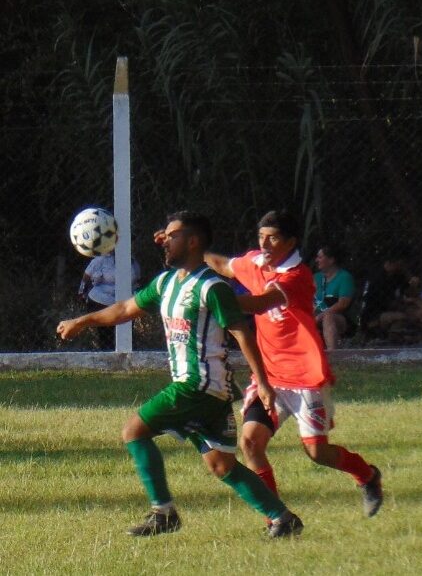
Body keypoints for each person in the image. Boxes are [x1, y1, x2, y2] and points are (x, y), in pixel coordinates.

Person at [58, 211, 302, 538]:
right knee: (222, 465)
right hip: (210, 392)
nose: (163, 241)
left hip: (197, 385)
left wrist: (265, 385)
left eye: (171, 236)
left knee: (134, 430)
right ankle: (282, 517)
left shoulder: (212, 288)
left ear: (193, 241)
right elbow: (124, 310)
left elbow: (242, 334)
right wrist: (83, 321)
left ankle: (163, 512)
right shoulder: (166, 283)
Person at [203, 210, 383, 518]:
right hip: (270, 377)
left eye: (273, 239)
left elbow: (261, 302)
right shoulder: (256, 263)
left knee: (317, 452)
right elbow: (221, 265)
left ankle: (367, 475)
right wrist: (190, 252)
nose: (265, 245)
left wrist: (207, 297)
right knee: (250, 443)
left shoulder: (296, 276)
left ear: (291, 242)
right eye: (261, 238)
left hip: (304, 378)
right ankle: (278, 517)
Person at [77, 252, 141, 349]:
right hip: (101, 301)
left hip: (125, 302)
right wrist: (82, 293)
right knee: (106, 336)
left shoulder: (132, 261)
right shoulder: (100, 260)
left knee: (126, 333)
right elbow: (86, 277)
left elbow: (137, 280)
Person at [313, 245, 355, 350]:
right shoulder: (315, 277)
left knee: (328, 318)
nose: (316, 260)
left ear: (331, 260)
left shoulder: (344, 277)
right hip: (316, 315)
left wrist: (321, 316)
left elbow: (343, 304)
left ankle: (334, 356)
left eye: (320, 257)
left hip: (339, 317)